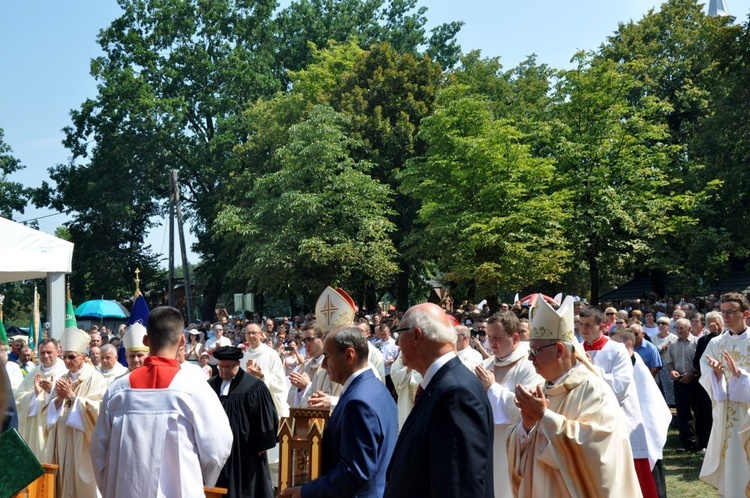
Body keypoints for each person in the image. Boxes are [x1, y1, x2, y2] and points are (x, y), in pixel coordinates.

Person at [91, 306, 233, 497]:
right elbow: (217, 447)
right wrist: (195, 478)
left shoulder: (118, 390)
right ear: (182, 340)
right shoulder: (194, 388)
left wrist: (112, 486)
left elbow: (98, 451)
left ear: (146, 340)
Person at [508, 296, 641, 497]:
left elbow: (599, 449)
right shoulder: (540, 389)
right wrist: (526, 426)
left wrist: (545, 416)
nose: (530, 358)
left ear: (560, 350)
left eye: (535, 351)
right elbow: (525, 448)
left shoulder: (593, 390)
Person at [383, 303, 493, 498]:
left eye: (400, 334)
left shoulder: (456, 393)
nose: (398, 343)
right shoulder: (442, 384)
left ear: (416, 336)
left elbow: (458, 488)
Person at [281, 326, 398, 498]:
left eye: (327, 357)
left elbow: (354, 473)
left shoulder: (358, 402)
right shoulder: (377, 388)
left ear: (349, 355)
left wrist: (305, 491)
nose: (323, 364)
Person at [473, 310, 542, 498]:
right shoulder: (485, 366)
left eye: (498, 338)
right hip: (487, 441)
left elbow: (528, 407)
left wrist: (492, 388)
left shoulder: (530, 365)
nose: (491, 343)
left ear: (516, 337)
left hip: (517, 444)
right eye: (489, 337)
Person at [44, 326, 108, 498]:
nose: (66, 361)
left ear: (84, 357)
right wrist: (58, 400)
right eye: (64, 357)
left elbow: (99, 411)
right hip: (61, 439)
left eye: (71, 357)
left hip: (83, 444)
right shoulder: (62, 379)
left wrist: (72, 397)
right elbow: (48, 415)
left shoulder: (96, 379)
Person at [610, 328, 672, 498]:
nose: (610, 349)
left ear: (628, 344)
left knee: (650, 481)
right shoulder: (619, 364)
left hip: (642, 428)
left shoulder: (635, 363)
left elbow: (646, 401)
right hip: (622, 426)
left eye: (614, 345)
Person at [209, 347, 279, 498]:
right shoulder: (210, 386)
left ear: (237, 364)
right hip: (217, 450)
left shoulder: (254, 386)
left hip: (244, 450)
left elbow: (265, 416)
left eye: (228, 367)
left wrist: (263, 443)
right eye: (221, 366)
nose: (224, 371)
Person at [699, 292, 750, 496]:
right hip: (727, 417)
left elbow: (740, 379)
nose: (726, 316)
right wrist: (717, 376)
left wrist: (741, 377)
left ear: (746, 313)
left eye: (731, 311)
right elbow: (706, 375)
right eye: (723, 312)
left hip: (748, 415)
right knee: (732, 463)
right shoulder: (716, 344)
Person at [14, 337, 67, 460]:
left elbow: (69, 402)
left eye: (49, 352)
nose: (46, 356)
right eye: (42, 353)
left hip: (55, 429)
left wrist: (50, 391)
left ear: (58, 352)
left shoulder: (64, 372)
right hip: (34, 428)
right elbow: (18, 398)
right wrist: (34, 395)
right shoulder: (34, 373)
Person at [665, 317, 708, 452]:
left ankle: (702, 443)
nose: (679, 331)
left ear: (689, 328)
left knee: (699, 412)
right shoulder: (672, 344)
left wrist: (693, 374)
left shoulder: (697, 343)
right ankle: (687, 443)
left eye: (682, 328)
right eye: (677, 328)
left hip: (695, 381)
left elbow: (702, 363)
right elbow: (669, 361)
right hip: (679, 381)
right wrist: (671, 371)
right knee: (683, 413)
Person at [242, 323, 290, 419]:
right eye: (248, 333)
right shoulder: (245, 356)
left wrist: (262, 376)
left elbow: (280, 381)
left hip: (268, 403)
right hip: (250, 404)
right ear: (245, 336)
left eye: (254, 333)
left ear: (261, 335)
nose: (251, 336)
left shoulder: (271, 354)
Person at [287, 323, 341, 409]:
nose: (306, 345)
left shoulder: (335, 365)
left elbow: (339, 398)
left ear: (322, 339)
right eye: (304, 341)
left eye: (310, 339)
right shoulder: (305, 366)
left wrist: (307, 386)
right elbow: (290, 400)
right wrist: (300, 390)